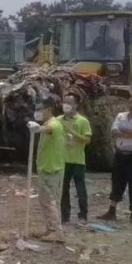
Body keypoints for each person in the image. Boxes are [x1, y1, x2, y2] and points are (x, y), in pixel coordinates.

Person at [99, 94, 132, 222]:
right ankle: (112, 211)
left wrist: (123, 132)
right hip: (121, 153)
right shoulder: (121, 116)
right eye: (130, 103)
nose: (131, 106)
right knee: (117, 181)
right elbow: (113, 131)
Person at [28, 96, 67, 243]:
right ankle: (50, 229)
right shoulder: (50, 123)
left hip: (52, 168)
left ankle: (57, 232)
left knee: (49, 201)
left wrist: (38, 129)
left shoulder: (54, 124)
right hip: (47, 167)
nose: (37, 113)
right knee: (45, 200)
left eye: (40, 110)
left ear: (48, 110)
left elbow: (49, 129)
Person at [59, 92, 92, 225]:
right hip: (62, 160)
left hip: (77, 160)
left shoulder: (82, 121)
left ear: (76, 105)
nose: (66, 105)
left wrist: (73, 133)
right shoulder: (58, 120)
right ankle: (64, 216)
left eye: (69, 102)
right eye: (64, 102)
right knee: (63, 189)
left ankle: (83, 215)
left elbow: (87, 140)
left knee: (80, 189)